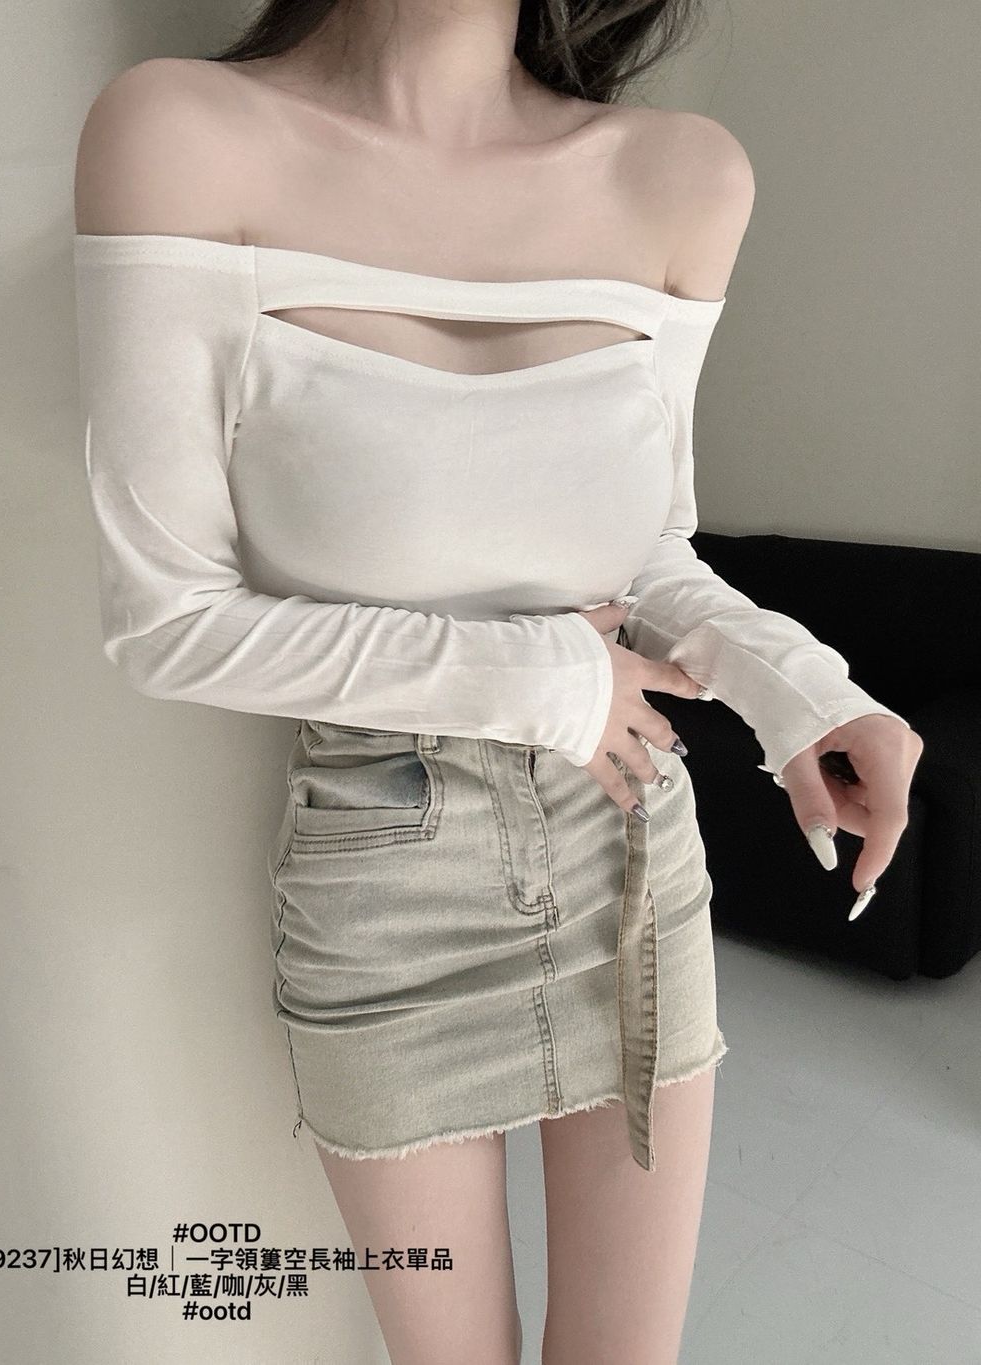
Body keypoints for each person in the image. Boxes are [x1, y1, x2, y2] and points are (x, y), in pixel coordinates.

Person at [72, 2, 922, 1359]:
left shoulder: (683, 176)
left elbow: (645, 549)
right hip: (386, 881)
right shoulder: (181, 135)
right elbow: (168, 620)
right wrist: (549, 682)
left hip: (631, 841)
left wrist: (805, 690)